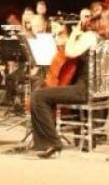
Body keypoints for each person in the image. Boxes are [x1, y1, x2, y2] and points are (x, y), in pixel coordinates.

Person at [32, 13, 101, 158]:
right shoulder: (103, 38)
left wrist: (74, 33)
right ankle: (48, 142)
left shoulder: (90, 36)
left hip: (83, 89)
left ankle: (52, 143)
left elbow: (70, 52)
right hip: (93, 89)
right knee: (43, 94)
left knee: (38, 96)